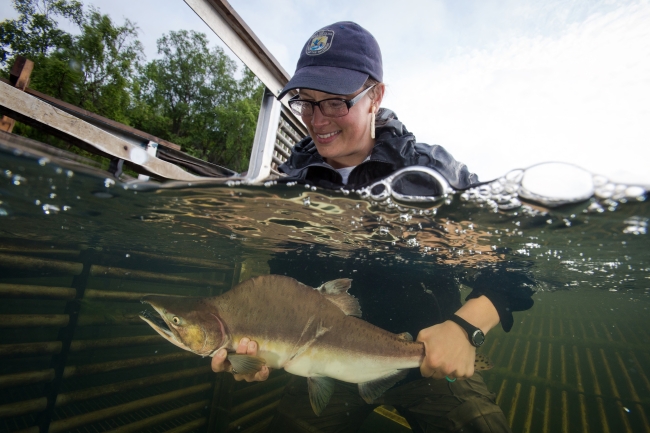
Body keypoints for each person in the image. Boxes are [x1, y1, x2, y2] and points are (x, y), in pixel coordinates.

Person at [212, 21, 535, 433]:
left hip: (427, 363)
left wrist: (464, 328)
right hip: (325, 364)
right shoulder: (287, 186)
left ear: (376, 96)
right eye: (306, 103)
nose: (317, 120)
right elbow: (286, 281)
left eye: (335, 102)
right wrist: (262, 350)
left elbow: (514, 270)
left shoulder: (431, 176)